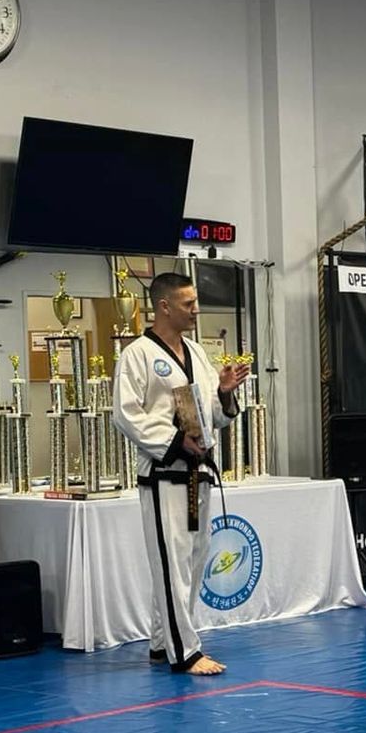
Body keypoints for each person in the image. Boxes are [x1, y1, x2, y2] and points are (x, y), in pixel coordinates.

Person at [113, 272, 247, 676]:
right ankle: (185, 651)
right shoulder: (136, 354)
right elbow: (127, 414)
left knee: (190, 562)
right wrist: (174, 442)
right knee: (171, 564)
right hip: (164, 474)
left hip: (197, 473)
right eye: (188, 304)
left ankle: (162, 641)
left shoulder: (196, 352)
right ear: (165, 306)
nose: (196, 310)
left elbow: (212, 415)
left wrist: (224, 392)